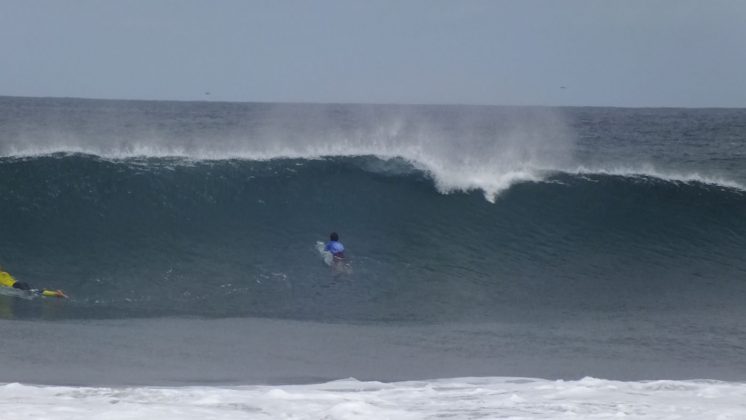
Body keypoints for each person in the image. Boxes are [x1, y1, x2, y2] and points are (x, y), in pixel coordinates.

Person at [0, 265, 67, 298]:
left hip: (16, 285)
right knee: (33, 291)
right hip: (19, 282)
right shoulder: (4, 273)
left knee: (32, 292)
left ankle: (56, 294)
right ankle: (55, 293)